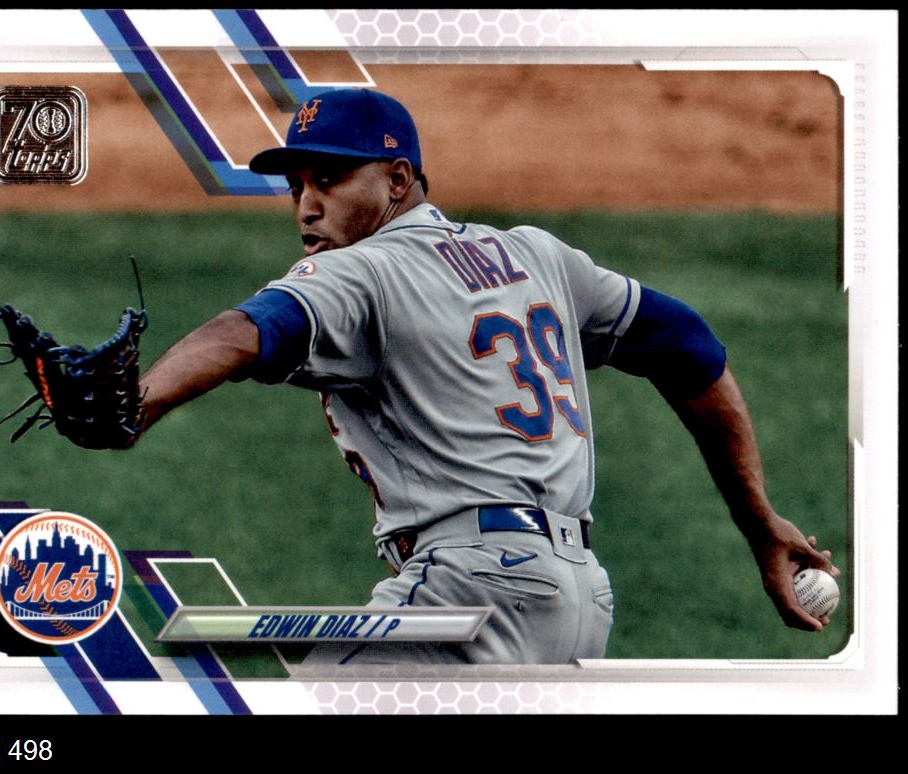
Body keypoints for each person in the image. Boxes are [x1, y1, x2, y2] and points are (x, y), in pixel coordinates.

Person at [132, 88, 839, 665]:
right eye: (296, 188)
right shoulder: (536, 255)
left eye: (329, 179)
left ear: (398, 179)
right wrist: (759, 522)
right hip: (580, 600)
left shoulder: (360, 269)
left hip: (470, 590)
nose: (306, 206)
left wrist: (137, 405)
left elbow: (245, 332)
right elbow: (686, 343)